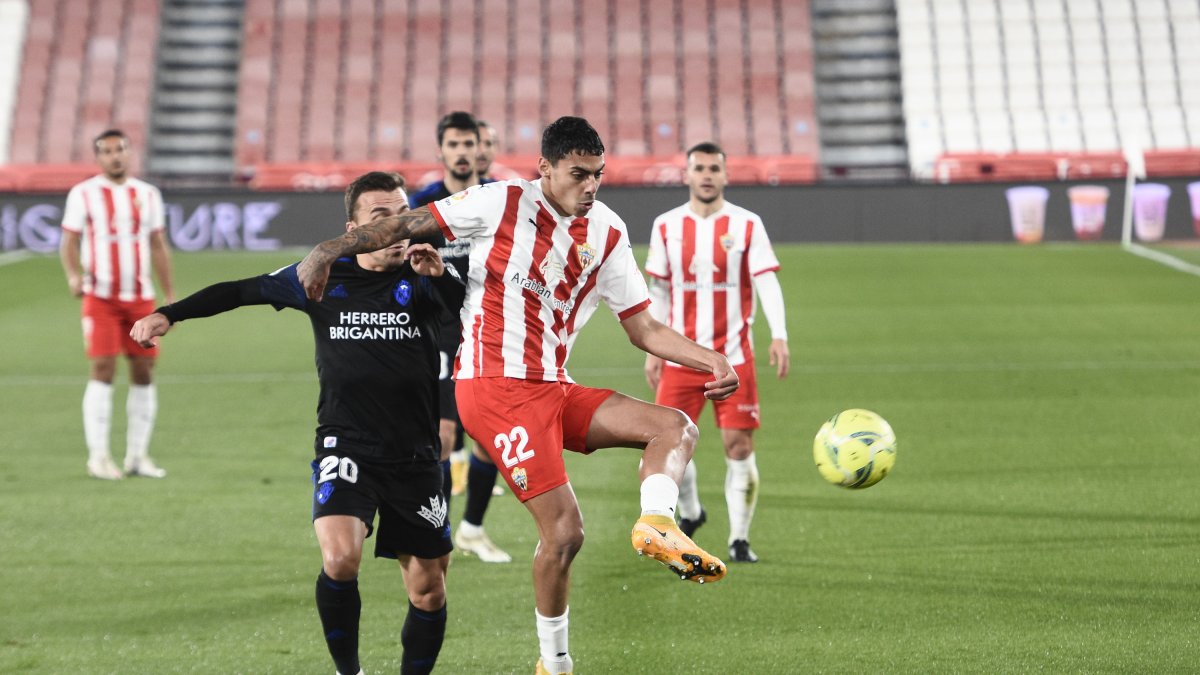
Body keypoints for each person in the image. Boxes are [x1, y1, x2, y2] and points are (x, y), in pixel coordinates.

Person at [296, 116, 738, 674]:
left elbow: (644, 328)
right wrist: (328, 249)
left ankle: (657, 522)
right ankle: (555, 664)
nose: (591, 186)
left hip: (554, 387)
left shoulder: (607, 231)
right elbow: (404, 225)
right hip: (492, 387)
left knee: (675, 426)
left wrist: (711, 359)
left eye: (598, 175)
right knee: (564, 530)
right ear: (546, 169)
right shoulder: (500, 203)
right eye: (579, 175)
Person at [130, 172, 461, 675]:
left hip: (414, 454)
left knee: (429, 589)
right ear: (353, 228)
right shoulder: (323, 274)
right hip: (346, 443)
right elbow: (243, 290)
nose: (396, 226)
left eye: (402, 214)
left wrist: (438, 279)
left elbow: (459, 323)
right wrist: (169, 313)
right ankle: (348, 671)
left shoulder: (426, 272)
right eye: (381, 217)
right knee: (339, 558)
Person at [643, 142, 791, 564]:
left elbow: (766, 281)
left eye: (714, 168)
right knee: (671, 443)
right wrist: (654, 347)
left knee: (739, 447)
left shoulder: (747, 225)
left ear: (725, 176)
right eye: (699, 168)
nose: (706, 175)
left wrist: (778, 334)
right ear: (687, 175)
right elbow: (660, 290)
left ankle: (739, 540)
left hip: (733, 358)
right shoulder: (667, 225)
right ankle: (691, 512)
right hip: (680, 357)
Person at [409, 111, 511, 563]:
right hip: (435, 332)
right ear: (442, 151)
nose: (464, 152)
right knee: (444, 435)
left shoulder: (497, 198)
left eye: (470, 144)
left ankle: (471, 528)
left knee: (489, 440)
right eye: (454, 145)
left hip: (486, 329)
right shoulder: (424, 202)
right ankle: (438, 530)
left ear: (480, 149)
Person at [59, 128, 174, 480]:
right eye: (107, 151)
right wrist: (73, 275)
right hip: (101, 297)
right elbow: (69, 241)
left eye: (120, 149)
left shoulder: (148, 194)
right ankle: (98, 457)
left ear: (129, 152)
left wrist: (170, 298)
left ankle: (137, 457)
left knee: (143, 372)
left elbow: (157, 244)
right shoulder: (84, 194)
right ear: (98, 158)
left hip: (140, 298)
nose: (115, 156)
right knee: (103, 370)